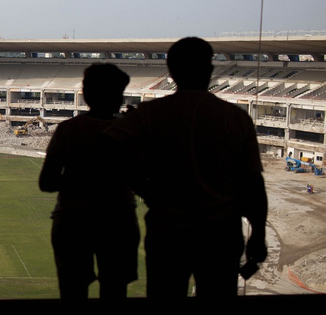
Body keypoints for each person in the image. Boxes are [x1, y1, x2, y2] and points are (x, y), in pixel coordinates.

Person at [103, 37, 268, 298]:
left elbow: (108, 149)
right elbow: (253, 183)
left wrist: (144, 188)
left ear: (171, 71)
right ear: (210, 69)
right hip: (220, 233)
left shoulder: (150, 113)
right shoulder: (235, 117)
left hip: (168, 231)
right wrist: (258, 234)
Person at [39, 63, 139, 300]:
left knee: (73, 291)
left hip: (73, 219)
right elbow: (144, 177)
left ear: (86, 95)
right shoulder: (130, 131)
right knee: (115, 291)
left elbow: (47, 182)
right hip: (118, 220)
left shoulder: (68, 130)